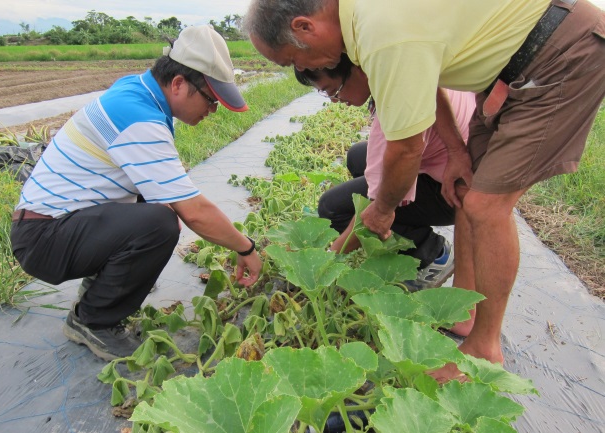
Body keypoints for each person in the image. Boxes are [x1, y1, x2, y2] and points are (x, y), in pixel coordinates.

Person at [244, 0, 605, 381]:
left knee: (485, 206)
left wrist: (376, 215)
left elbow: (406, 149)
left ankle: (484, 348)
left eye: (293, 61)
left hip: (556, 53)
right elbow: (429, 84)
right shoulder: (366, 20)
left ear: (304, 27)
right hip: (510, 68)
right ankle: (465, 312)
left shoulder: (379, 33)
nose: (303, 69)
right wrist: (455, 151)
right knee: (467, 193)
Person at [10, 25, 262, 362]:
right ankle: (92, 321)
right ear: (178, 84)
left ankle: (100, 290)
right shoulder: (138, 117)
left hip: (56, 225)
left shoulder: (136, 90)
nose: (212, 111)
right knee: (159, 223)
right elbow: (194, 211)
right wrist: (245, 247)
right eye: (211, 101)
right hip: (43, 238)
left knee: (155, 196)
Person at [294, 55, 476, 291]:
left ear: (359, 71)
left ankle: (431, 255)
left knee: (333, 207)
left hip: (454, 192)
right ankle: (409, 234)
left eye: (333, 90)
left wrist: (323, 263)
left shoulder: (394, 114)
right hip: (460, 165)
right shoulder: (405, 71)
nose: (335, 100)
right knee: (358, 156)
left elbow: (370, 214)